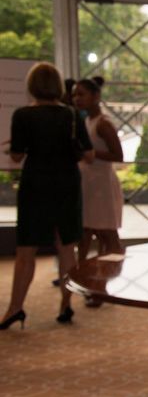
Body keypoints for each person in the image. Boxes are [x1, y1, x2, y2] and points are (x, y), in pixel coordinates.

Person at [1, 62, 93, 330]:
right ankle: (66, 304)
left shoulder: (23, 116)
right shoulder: (73, 116)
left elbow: (18, 155)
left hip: (36, 183)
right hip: (67, 182)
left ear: (32, 86)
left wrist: (13, 150)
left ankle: (15, 308)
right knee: (67, 246)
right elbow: (87, 154)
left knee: (26, 249)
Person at [72, 76, 124, 261]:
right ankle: (81, 275)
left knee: (107, 234)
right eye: (74, 95)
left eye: (81, 94)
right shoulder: (86, 121)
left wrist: (90, 153)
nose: (76, 99)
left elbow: (118, 155)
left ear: (95, 96)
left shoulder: (103, 124)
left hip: (102, 187)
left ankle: (115, 269)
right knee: (84, 233)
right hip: (89, 186)